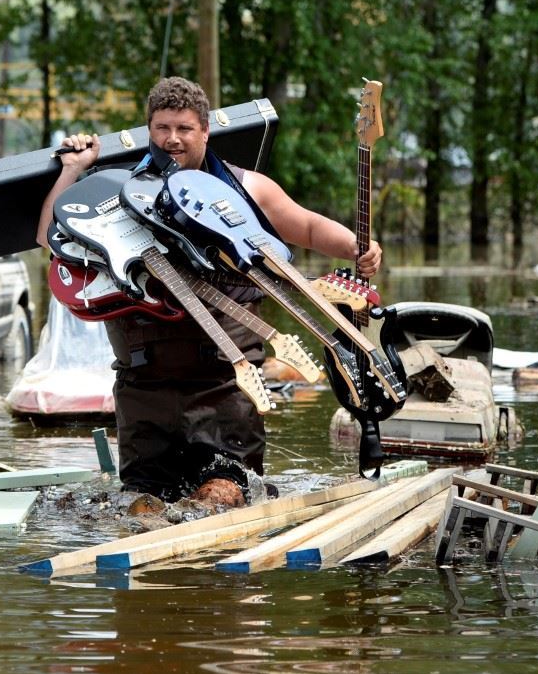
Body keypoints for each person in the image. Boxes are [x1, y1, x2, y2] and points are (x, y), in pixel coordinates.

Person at [37, 77, 382, 507]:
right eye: (162, 128)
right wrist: (73, 170)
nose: (172, 139)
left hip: (226, 384)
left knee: (221, 498)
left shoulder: (245, 188)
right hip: (144, 388)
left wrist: (356, 246)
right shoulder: (119, 194)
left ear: (205, 130)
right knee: (140, 507)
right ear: (150, 131)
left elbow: (309, 227)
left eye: (184, 128)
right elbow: (51, 238)